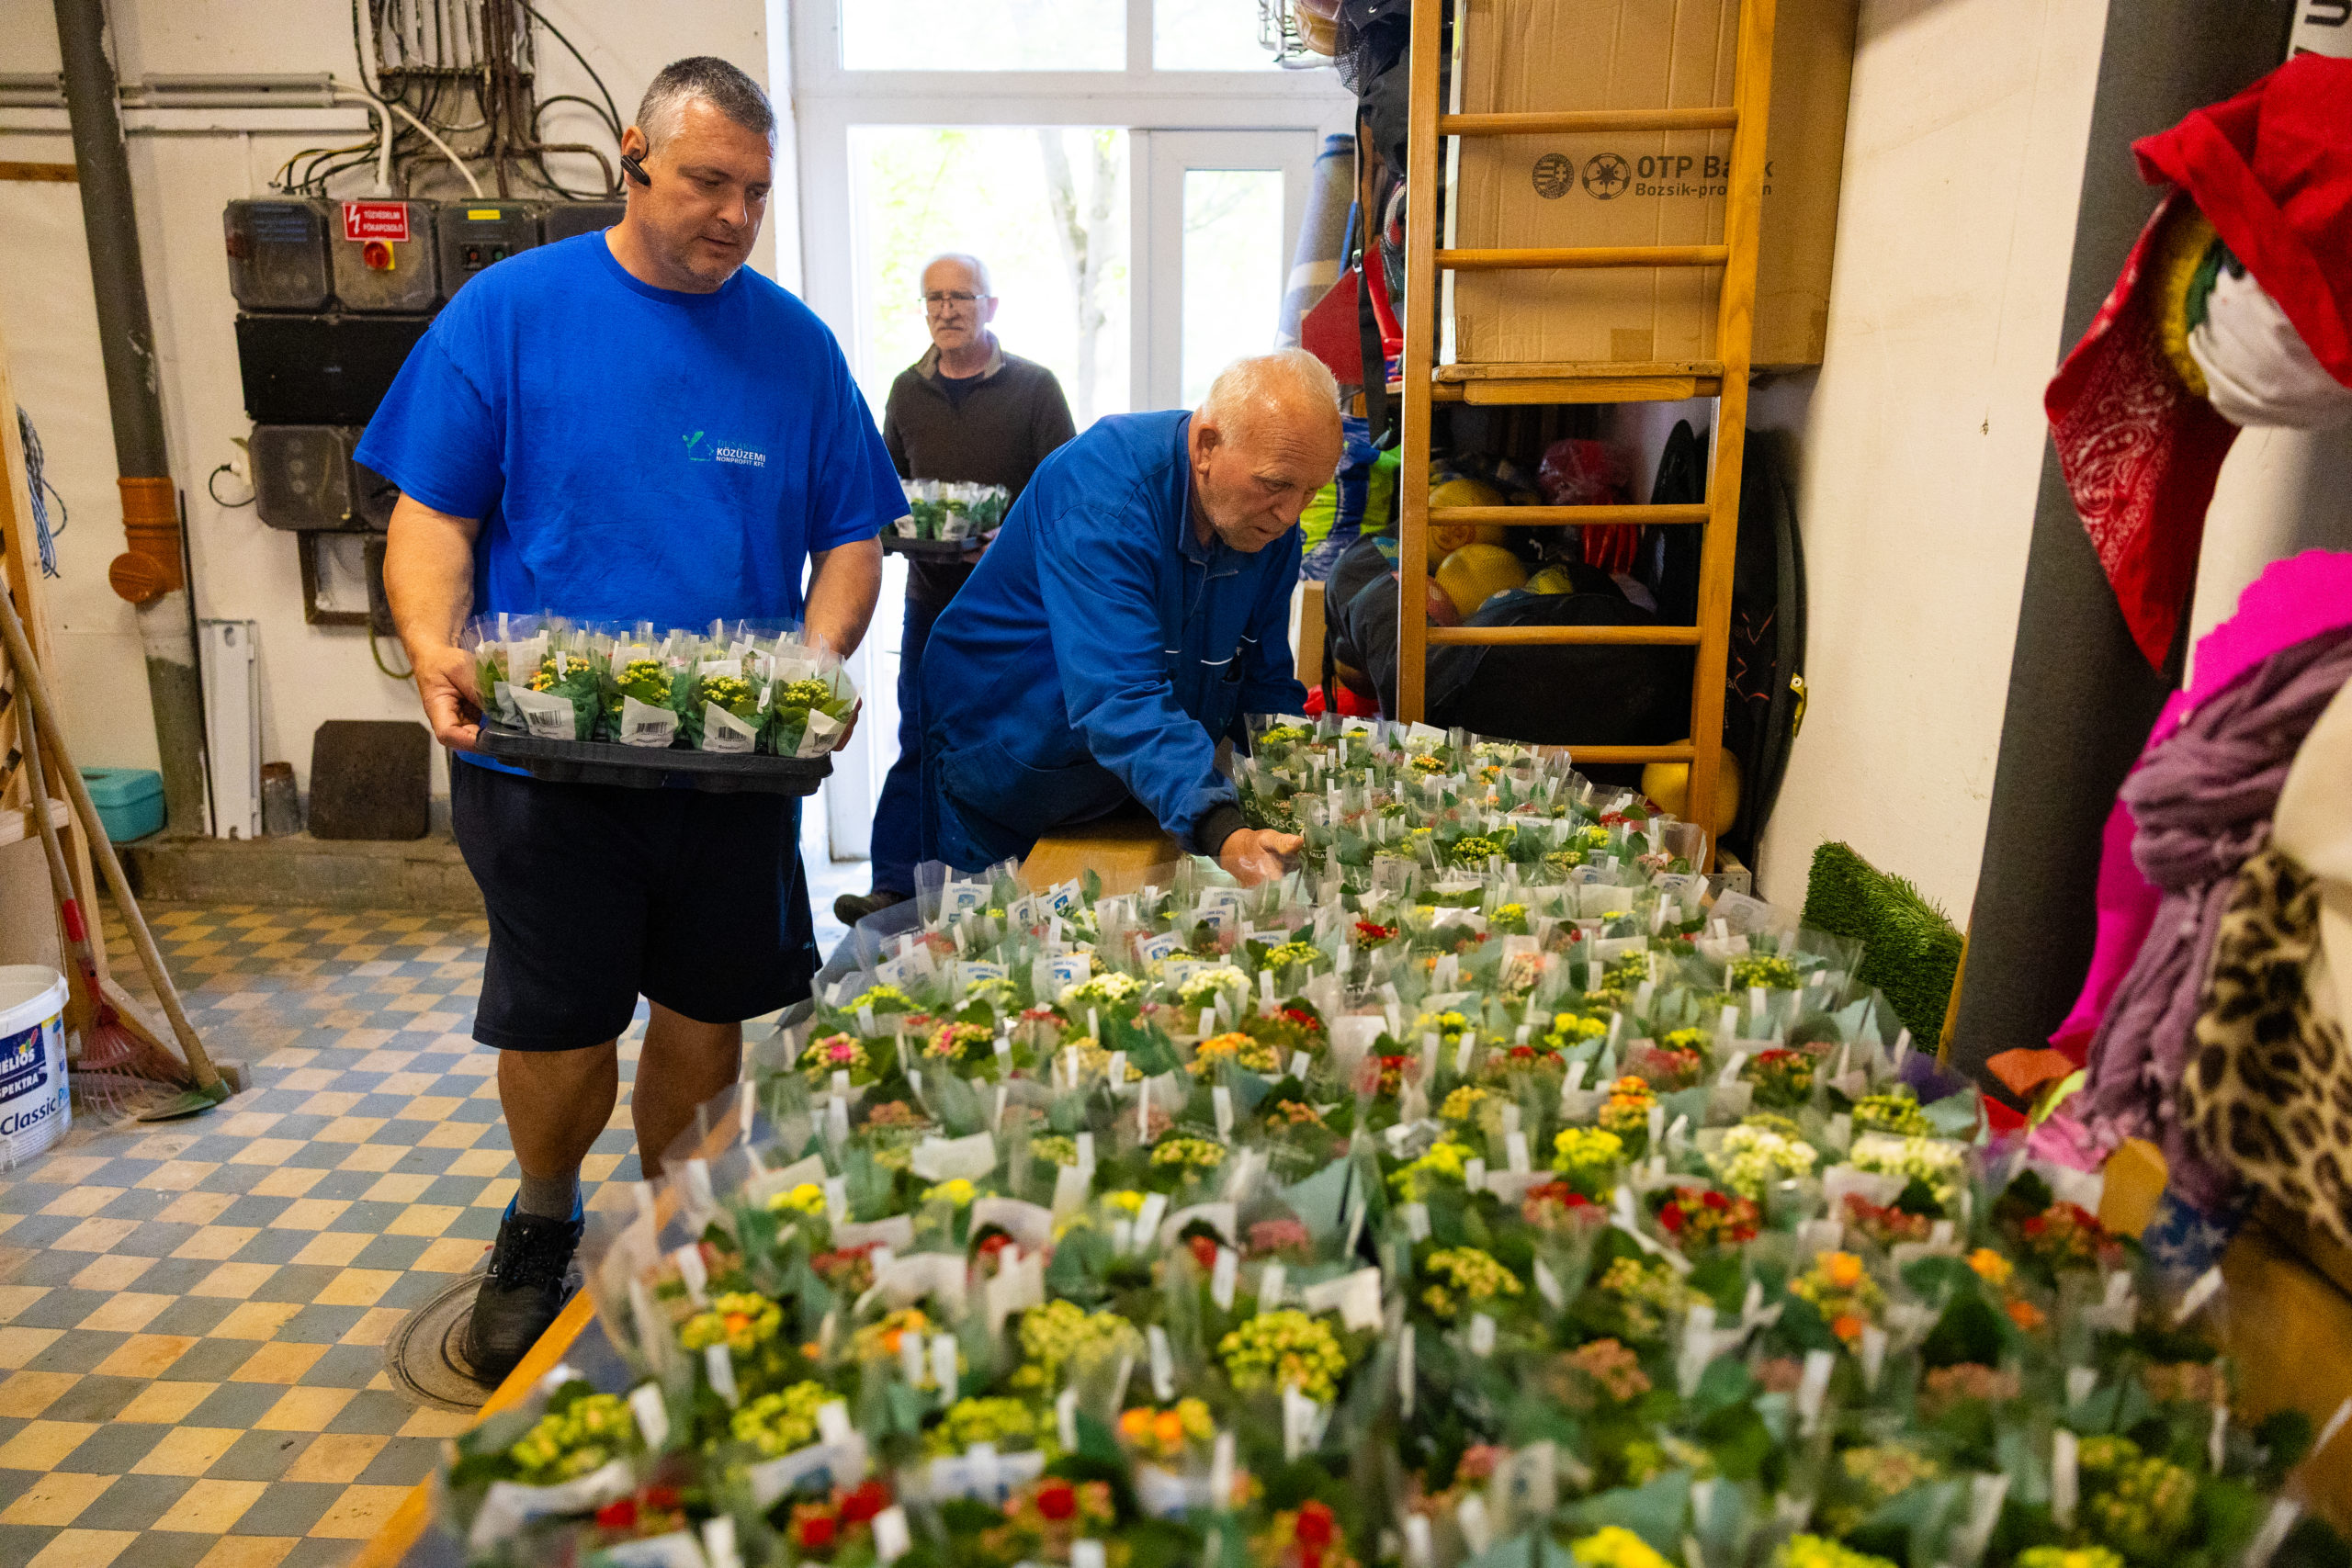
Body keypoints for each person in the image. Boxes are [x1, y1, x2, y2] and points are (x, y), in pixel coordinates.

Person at [362, 56, 896, 1381]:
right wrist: (432, 647)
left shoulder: (796, 348)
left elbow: (852, 536)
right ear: (632, 156)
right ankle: (542, 1221)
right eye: (709, 181)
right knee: (556, 1018)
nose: (735, 215)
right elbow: (433, 516)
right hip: (545, 761)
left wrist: (816, 667)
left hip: (732, 768)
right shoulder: (509, 315)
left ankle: (681, 1224)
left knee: (707, 1011)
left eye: (755, 191)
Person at [917, 350, 1343, 885]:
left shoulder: (1264, 522)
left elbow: (1262, 681)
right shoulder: (1101, 496)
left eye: (1312, 490)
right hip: (1008, 759)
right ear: (1207, 447)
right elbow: (1118, 693)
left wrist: (1305, 785)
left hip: (1129, 776)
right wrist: (1223, 830)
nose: (1291, 513)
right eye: (1276, 484)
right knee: (995, 930)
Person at [835, 254, 1075, 927]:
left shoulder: (1035, 389)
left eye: (961, 298)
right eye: (934, 298)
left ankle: (1000, 890)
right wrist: (893, 534)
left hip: (1015, 612)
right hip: (930, 602)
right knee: (920, 736)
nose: (946, 310)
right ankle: (896, 885)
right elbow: (889, 493)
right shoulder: (906, 391)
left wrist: (1012, 542)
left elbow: (1067, 493)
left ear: (990, 306)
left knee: (1009, 741)